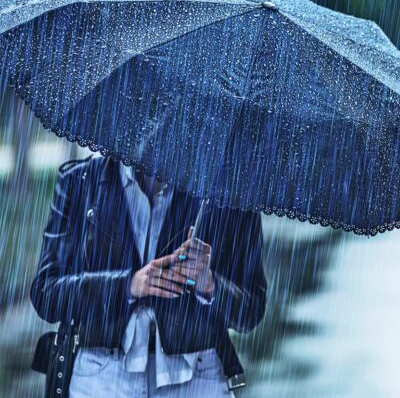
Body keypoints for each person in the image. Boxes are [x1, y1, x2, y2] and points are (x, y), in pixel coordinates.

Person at [30, 155, 267, 397]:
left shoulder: (228, 191)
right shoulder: (80, 181)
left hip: (196, 376)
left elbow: (251, 310)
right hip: (100, 378)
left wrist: (209, 283)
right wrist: (128, 285)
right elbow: (46, 294)